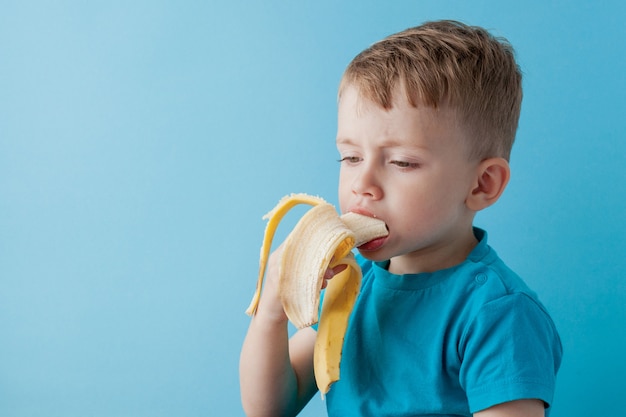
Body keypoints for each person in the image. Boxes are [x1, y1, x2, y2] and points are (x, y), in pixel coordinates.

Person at [240, 20, 562, 417]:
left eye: (402, 162)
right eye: (351, 157)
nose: (363, 184)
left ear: (482, 185)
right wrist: (272, 311)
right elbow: (269, 408)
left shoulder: (498, 314)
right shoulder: (351, 283)